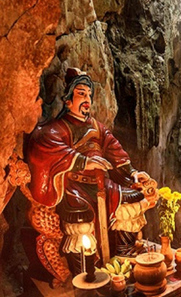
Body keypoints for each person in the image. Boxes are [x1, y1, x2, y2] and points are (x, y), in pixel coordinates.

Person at [26, 68, 158, 270]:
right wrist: (83, 162)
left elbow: (116, 153)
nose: (86, 98)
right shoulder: (59, 127)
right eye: (81, 93)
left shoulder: (98, 128)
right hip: (75, 188)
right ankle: (84, 271)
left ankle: (123, 252)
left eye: (88, 94)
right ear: (68, 100)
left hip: (104, 185)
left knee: (134, 197)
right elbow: (44, 144)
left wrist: (133, 173)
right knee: (81, 222)